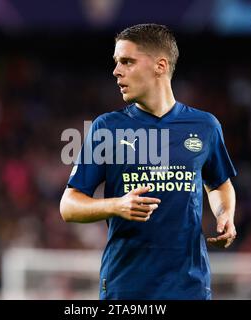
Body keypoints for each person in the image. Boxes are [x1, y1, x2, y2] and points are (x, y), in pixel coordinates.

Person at [60, 23, 237, 300]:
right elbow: (69, 206)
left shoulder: (205, 126)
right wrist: (117, 205)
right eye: (117, 62)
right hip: (126, 286)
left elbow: (219, 183)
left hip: (189, 286)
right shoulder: (107, 128)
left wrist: (225, 214)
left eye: (127, 61)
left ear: (160, 65)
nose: (116, 71)